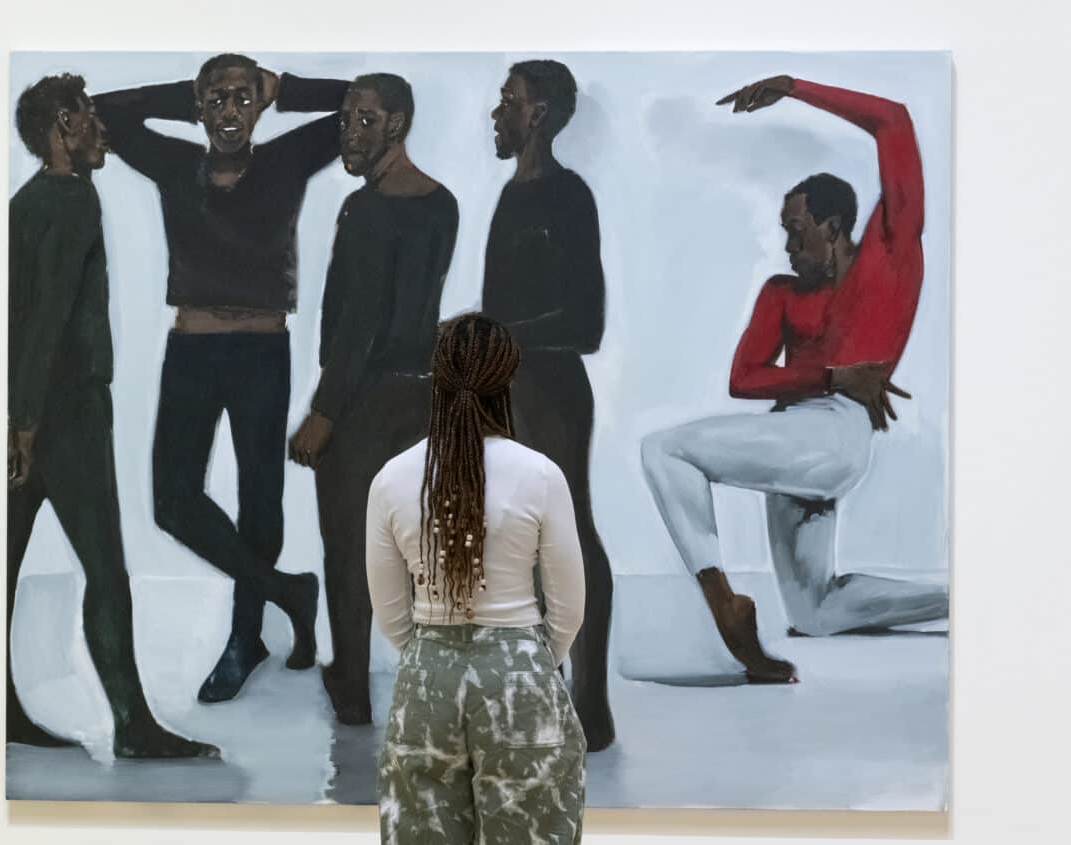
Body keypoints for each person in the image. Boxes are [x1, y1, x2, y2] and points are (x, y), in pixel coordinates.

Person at [640, 76, 949, 683]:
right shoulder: (781, 294)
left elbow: (894, 121)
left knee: (663, 449)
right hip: (796, 445)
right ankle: (959, 598)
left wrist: (791, 87)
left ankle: (721, 601)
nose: (786, 244)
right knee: (816, 610)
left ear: (833, 227)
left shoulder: (889, 254)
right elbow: (743, 379)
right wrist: (833, 374)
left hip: (836, 436)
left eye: (796, 230)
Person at [94, 55, 350, 703]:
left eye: (242, 98)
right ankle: (288, 590)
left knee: (260, 500)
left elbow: (363, 103)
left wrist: (284, 89)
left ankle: (245, 638)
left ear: (259, 105)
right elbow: (108, 109)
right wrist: (188, 92)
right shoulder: (176, 164)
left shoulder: (286, 161)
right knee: (171, 500)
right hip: (191, 352)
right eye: (215, 101)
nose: (229, 111)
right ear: (197, 108)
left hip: (263, 353)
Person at [8, 74, 217, 758]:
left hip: (18, 409)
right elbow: (45, 321)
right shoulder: (72, 202)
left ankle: (0, 710)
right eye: (91, 119)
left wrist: (11, 416)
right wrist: (30, 423)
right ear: (64, 127)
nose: (105, 130)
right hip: (61, 411)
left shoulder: (28, 200)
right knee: (106, 569)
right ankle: (133, 724)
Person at [368, 313, 587, 843]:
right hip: (519, 675)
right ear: (507, 380)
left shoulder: (392, 478)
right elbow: (568, 609)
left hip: (427, 677)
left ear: (435, 380)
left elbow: (392, 616)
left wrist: (436, 652)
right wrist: (525, 658)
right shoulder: (540, 475)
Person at [287, 73, 459, 725]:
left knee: (350, 546)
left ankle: (353, 688)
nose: (347, 133)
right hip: (423, 399)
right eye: (345, 120)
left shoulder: (364, 211)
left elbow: (357, 325)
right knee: (421, 545)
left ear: (397, 124)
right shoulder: (443, 203)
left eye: (363, 120)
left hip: (363, 403)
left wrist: (325, 412)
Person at [483, 59, 615, 751]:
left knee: (570, 534)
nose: (496, 113)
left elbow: (585, 321)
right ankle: (543, 692)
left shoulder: (566, 197)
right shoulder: (511, 196)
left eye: (509, 102)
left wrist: (496, 334)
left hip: (553, 389)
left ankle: (590, 702)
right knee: (519, 541)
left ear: (539, 114)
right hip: (506, 388)